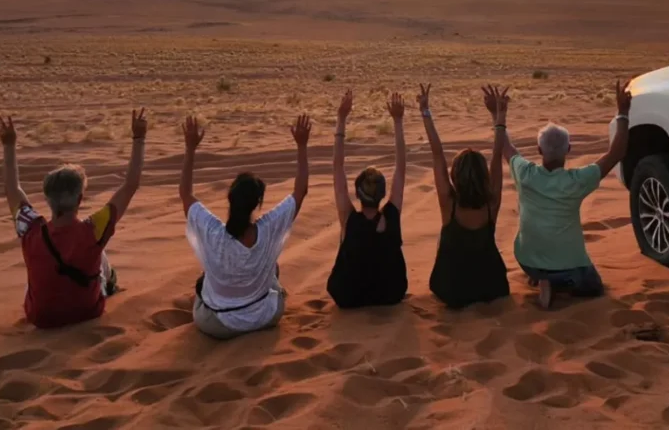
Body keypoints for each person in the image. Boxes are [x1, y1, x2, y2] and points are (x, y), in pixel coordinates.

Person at [0, 109, 147, 328]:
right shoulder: (92, 230)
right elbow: (131, 184)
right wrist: (139, 138)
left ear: (47, 199)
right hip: (87, 312)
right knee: (101, 253)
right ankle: (112, 287)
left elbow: (12, 188)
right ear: (80, 199)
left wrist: (9, 145)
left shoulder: (30, 230)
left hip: (41, 318)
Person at [495, 81, 632, 309]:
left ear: (539, 151)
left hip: (527, 261)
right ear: (569, 150)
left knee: (542, 265)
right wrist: (623, 113)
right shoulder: (576, 181)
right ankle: (555, 282)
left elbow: (505, 147)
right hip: (569, 266)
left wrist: (499, 116)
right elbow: (617, 152)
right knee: (593, 285)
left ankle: (541, 277)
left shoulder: (525, 173)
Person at [180, 113, 310, 339]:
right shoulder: (268, 229)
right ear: (257, 204)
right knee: (273, 269)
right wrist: (302, 146)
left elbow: (185, 194)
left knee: (203, 283)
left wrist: (190, 148)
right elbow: (300, 191)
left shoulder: (213, 232)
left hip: (218, 324)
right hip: (266, 316)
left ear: (230, 199)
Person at [420, 84, 510, 308]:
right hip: (491, 287)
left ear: (455, 175)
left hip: (452, 289)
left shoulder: (448, 203)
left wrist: (425, 111)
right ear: (483, 175)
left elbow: (437, 153)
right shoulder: (492, 203)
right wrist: (499, 116)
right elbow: (498, 153)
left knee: (444, 234)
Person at [327, 90, 408, 308]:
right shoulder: (392, 214)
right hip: (390, 294)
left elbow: (337, 167)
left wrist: (341, 119)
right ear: (383, 194)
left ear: (357, 193)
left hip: (350, 297)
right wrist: (398, 121)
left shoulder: (349, 219)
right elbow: (401, 167)